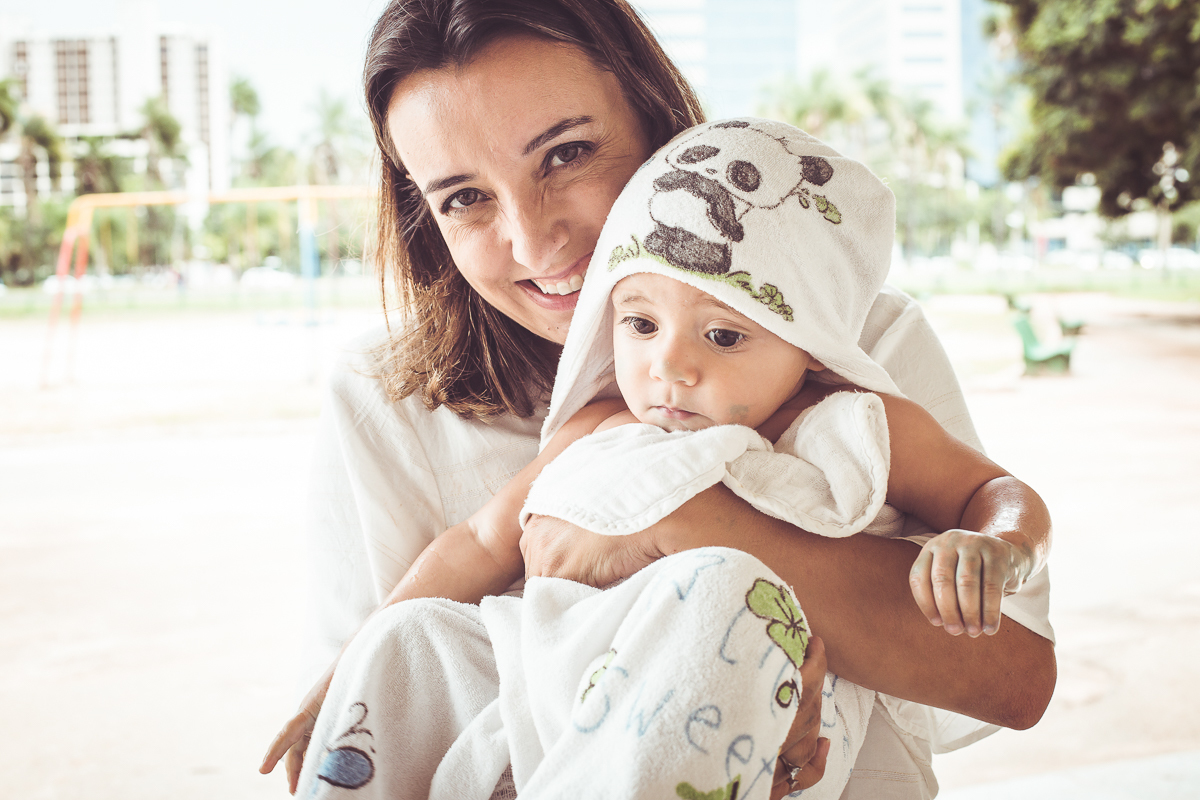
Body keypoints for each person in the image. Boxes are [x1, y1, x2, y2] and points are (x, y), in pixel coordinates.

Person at [261, 1, 1056, 798]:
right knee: (410, 634)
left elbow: (1011, 680)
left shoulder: (847, 345)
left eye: (566, 154)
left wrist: (668, 524)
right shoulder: (392, 395)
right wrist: (346, 677)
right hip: (526, 743)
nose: (535, 245)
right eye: (464, 198)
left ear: (659, 134)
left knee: (716, 599)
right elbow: (449, 589)